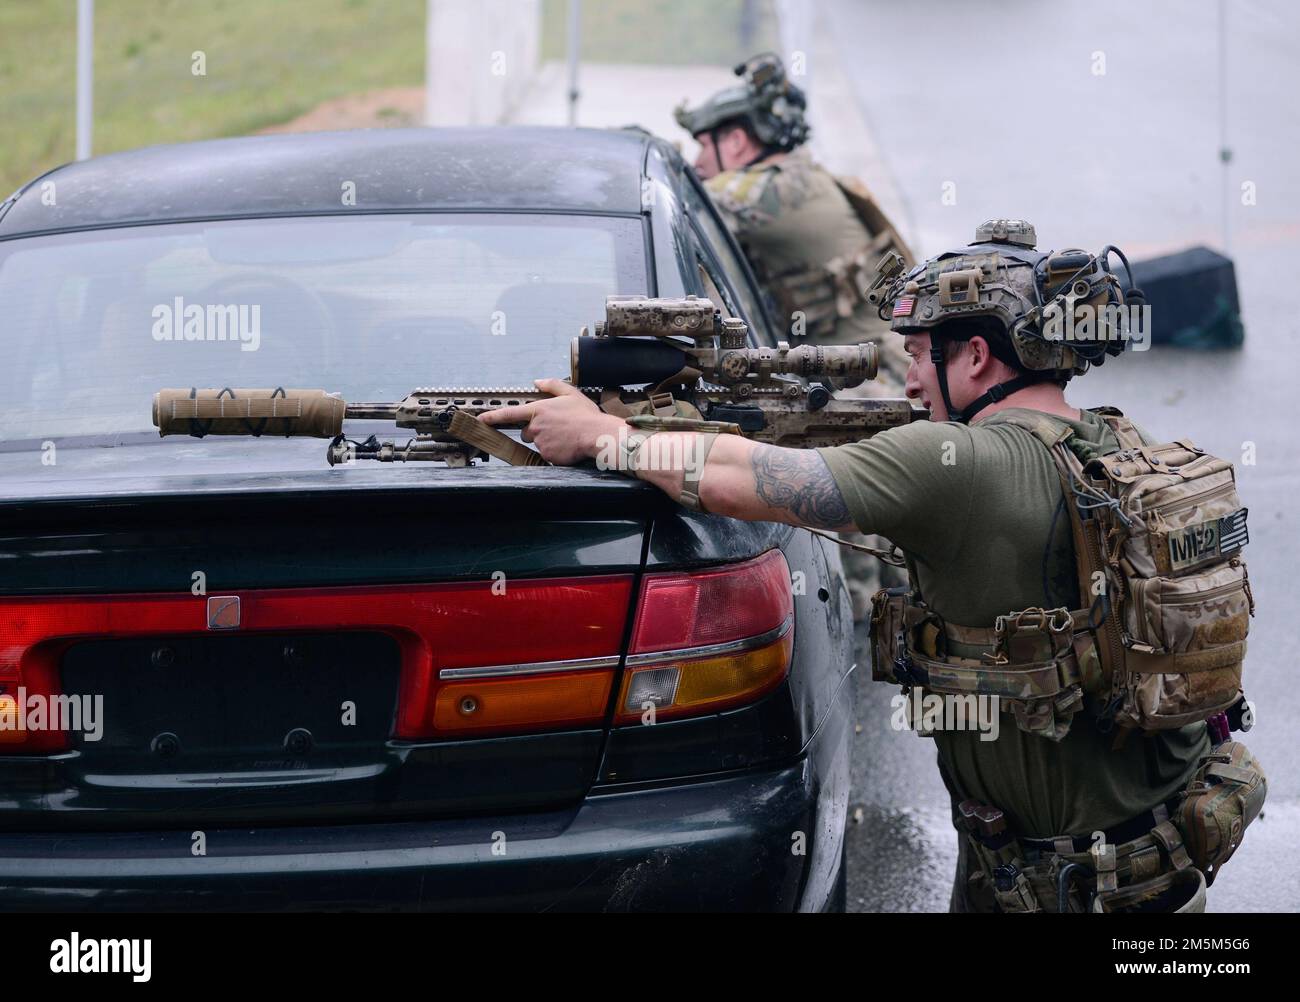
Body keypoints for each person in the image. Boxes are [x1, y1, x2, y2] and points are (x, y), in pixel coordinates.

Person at [481, 219, 1261, 913]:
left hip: (1056, 885)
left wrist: (599, 437)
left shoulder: (957, 461)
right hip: (1155, 859)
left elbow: (752, 482)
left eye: (921, 356)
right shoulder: (1117, 443)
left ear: (978, 357)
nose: (911, 380)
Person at [676, 52, 913, 613]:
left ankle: (860, 613)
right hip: (884, 363)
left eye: (703, 144)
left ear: (735, 142)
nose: (697, 157)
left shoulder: (770, 191)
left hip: (875, 378)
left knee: (816, 464)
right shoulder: (805, 178)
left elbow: (684, 200)